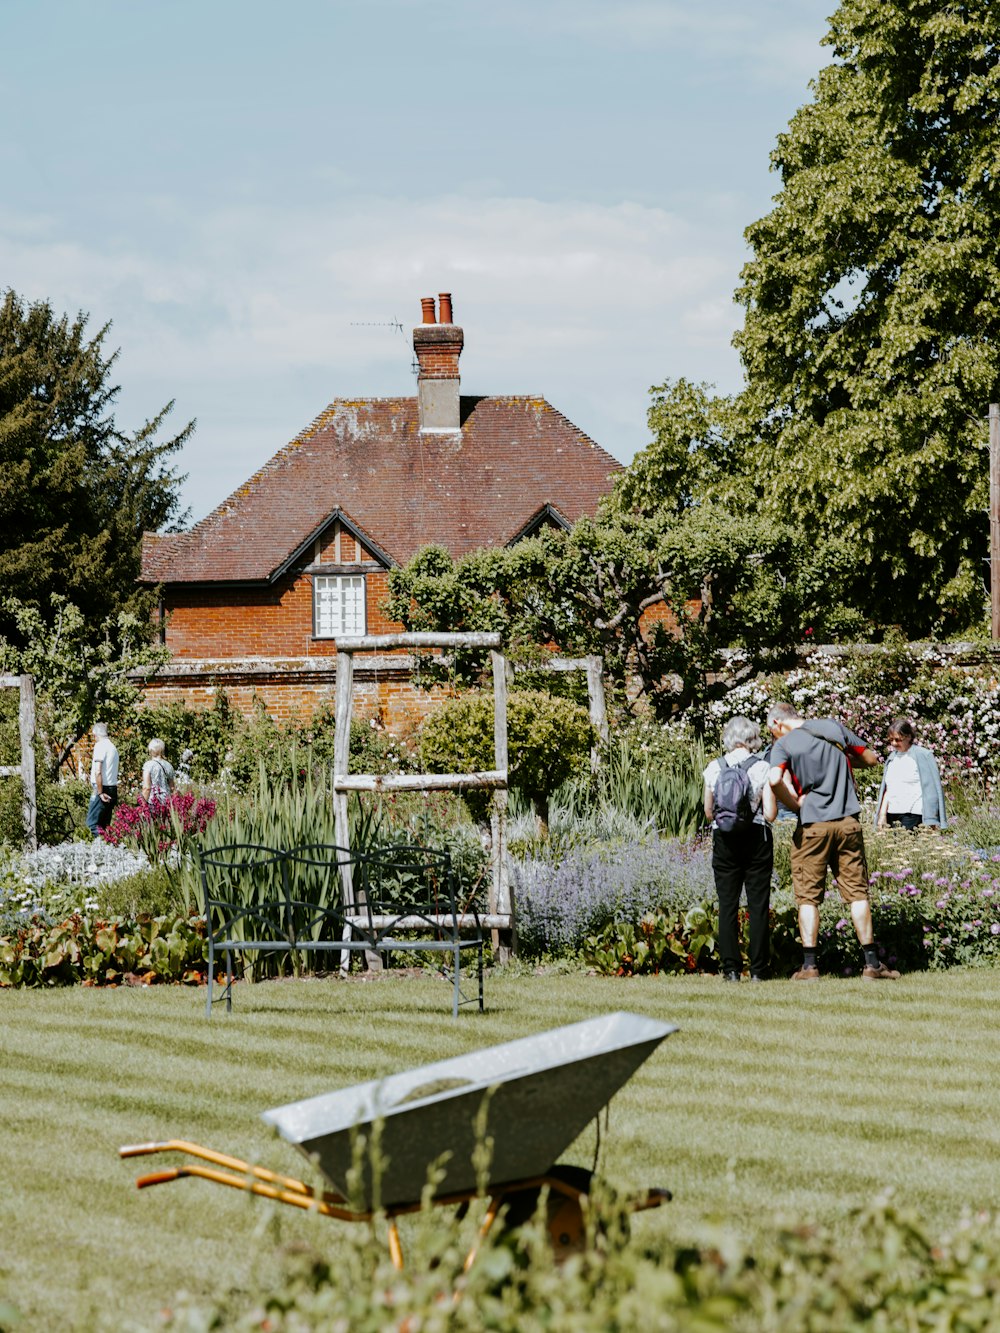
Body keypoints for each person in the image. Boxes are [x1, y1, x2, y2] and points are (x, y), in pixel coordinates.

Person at [766, 701, 899, 981]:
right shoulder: (832, 727)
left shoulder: (784, 744)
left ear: (777, 724)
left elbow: (775, 778)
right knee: (858, 892)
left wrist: (794, 802)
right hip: (848, 822)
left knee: (808, 897)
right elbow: (872, 758)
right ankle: (872, 964)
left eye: (771, 733)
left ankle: (810, 967)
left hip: (812, 826)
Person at [703, 716, 778, 983]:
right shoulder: (763, 767)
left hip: (724, 840)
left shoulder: (714, 767)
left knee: (728, 905)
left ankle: (731, 969)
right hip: (756, 837)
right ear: (752, 739)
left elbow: (709, 812)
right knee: (757, 905)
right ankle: (758, 970)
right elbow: (770, 814)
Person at [875, 718, 947, 831]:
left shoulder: (923, 755)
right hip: (892, 812)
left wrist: (932, 818)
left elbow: (933, 788)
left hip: (913, 812)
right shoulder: (892, 758)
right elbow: (889, 788)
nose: (894, 743)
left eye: (898, 740)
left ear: (908, 737)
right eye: (891, 740)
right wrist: (882, 815)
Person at [86, 722, 120, 837]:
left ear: (96, 734)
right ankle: (108, 847)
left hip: (102, 788)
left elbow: (98, 771)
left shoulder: (100, 746)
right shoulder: (113, 747)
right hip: (112, 787)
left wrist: (100, 792)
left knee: (92, 824)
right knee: (105, 825)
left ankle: (99, 849)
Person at [142, 739, 176, 808]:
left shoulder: (148, 765)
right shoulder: (169, 765)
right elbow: (172, 787)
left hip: (152, 802)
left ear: (150, 750)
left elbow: (147, 788)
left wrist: (142, 805)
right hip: (167, 802)